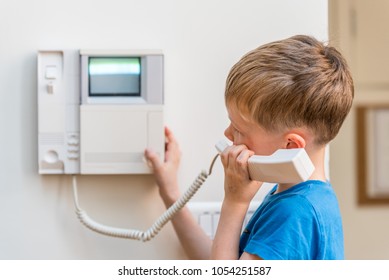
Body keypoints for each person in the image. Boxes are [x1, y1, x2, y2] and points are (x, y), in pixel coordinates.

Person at [144, 35, 354, 260]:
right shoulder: (302, 197)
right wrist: (171, 193)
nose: (227, 135)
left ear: (290, 145)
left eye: (239, 129)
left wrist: (235, 202)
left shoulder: (294, 214)